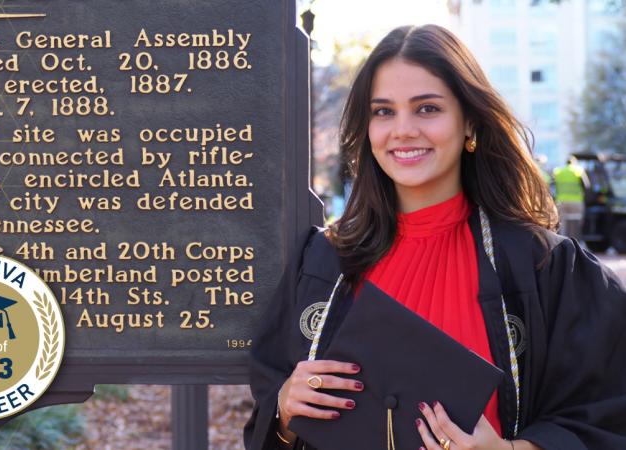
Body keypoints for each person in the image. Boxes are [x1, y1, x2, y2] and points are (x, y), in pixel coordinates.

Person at [244, 24, 626, 450]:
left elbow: (606, 415)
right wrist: (284, 412)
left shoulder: (544, 266)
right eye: (383, 111)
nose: (403, 130)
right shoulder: (323, 262)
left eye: (427, 108)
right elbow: (271, 421)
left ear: (470, 125)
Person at [553, 156, 590, 242]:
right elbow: (586, 185)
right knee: (576, 222)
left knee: (562, 223)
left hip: (561, 201)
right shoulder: (578, 170)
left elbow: (553, 185)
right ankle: (576, 242)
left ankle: (562, 242)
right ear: (574, 163)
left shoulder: (559, 171)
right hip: (576, 201)